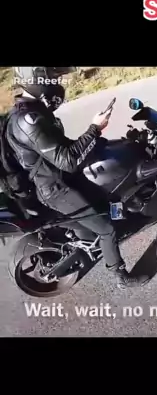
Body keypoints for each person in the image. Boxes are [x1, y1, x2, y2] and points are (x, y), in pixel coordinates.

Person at [6, 67, 148, 289]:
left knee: (109, 193)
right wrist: (95, 129)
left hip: (62, 180)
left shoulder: (30, 111)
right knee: (107, 229)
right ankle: (121, 277)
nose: (57, 83)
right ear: (38, 81)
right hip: (56, 190)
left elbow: (60, 147)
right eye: (53, 79)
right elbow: (67, 160)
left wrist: (101, 143)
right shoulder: (28, 120)